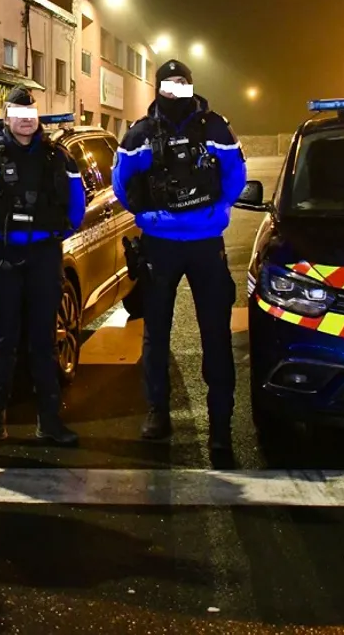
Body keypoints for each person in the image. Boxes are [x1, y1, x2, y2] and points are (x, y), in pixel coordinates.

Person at [111, 59, 246, 457]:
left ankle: (220, 425)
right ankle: (158, 411)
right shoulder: (139, 133)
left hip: (206, 243)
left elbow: (235, 174)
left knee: (216, 334)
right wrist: (147, 215)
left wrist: (217, 210)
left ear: (191, 86)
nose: (175, 89)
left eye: (182, 83)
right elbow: (122, 184)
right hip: (159, 244)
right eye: (167, 84)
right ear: (157, 88)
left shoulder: (215, 127)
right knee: (156, 333)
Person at [0, 85, 85, 449]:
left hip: (44, 257)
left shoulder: (57, 157)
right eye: (19, 115)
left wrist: (61, 230)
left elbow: (76, 203)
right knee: (4, 344)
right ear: (7, 118)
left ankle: (49, 423)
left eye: (31, 115)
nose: (26, 122)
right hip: (4, 260)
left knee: (44, 343)